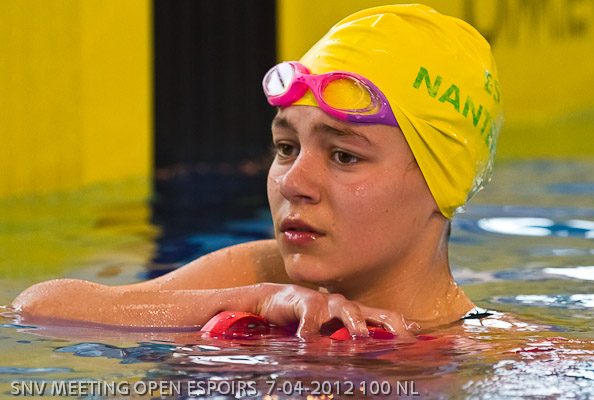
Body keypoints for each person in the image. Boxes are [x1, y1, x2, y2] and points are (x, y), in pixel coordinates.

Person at [12, 4, 502, 338]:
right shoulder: (258, 275)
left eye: (344, 156)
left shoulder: (498, 357)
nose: (292, 182)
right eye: (286, 147)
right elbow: (34, 309)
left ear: (444, 180)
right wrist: (255, 301)